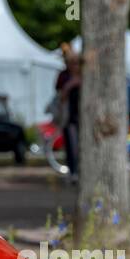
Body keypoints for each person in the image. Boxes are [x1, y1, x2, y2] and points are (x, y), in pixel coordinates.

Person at [56, 42, 81, 178]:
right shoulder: (64, 76)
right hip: (69, 116)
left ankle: (78, 170)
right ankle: (73, 171)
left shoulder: (85, 76)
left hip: (82, 117)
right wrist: (69, 86)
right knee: (71, 145)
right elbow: (60, 96)